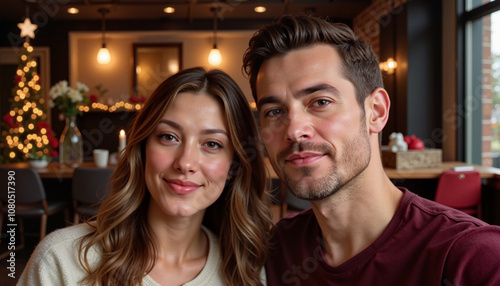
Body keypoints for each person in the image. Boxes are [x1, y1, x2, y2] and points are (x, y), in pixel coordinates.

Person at [242, 15, 500, 285]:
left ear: (376, 111)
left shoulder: (473, 259)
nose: (294, 130)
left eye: (320, 102)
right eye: (274, 111)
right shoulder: (276, 250)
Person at [18, 67, 272, 286]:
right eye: (169, 137)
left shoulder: (247, 271)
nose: (185, 163)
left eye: (213, 144)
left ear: (233, 166)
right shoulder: (61, 260)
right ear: (142, 150)